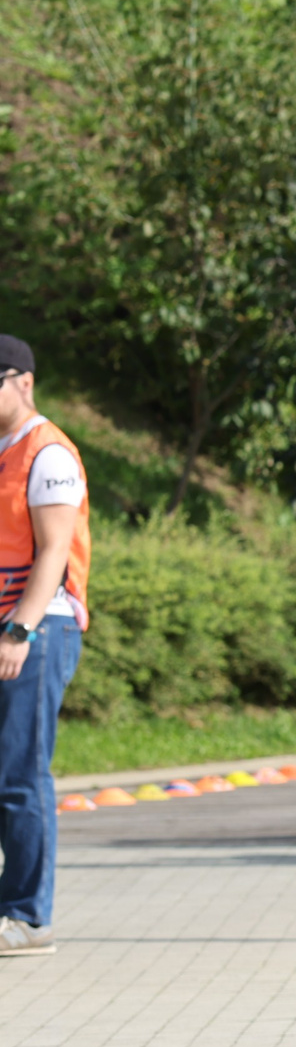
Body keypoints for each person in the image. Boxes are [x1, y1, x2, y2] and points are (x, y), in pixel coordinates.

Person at [0, 336, 86, 955]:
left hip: (35, 629)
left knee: (21, 774)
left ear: (23, 381)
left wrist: (18, 630)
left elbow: (53, 549)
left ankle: (29, 919)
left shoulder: (47, 451)